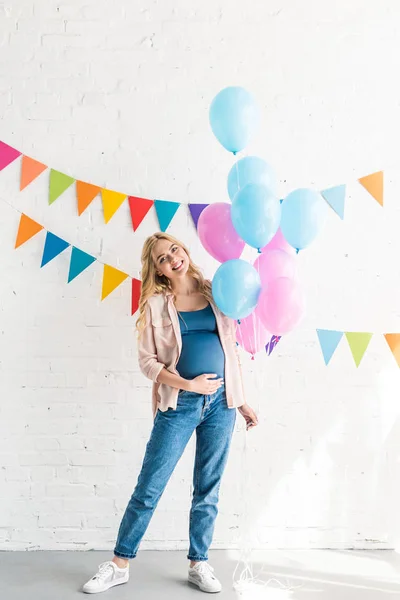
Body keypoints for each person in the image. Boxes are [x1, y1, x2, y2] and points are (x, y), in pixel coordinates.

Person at [82, 232, 258, 594]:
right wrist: (188, 385)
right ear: (159, 270)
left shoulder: (215, 292)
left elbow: (231, 352)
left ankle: (199, 562)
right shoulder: (156, 305)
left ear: (185, 250)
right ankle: (119, 564)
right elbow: (147, 363)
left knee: (208, 488)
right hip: (179, 403)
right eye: (162, 258)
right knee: (149, 487)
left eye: (174, 249)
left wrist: (241, 401)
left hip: (222, 403)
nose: (172, 258)